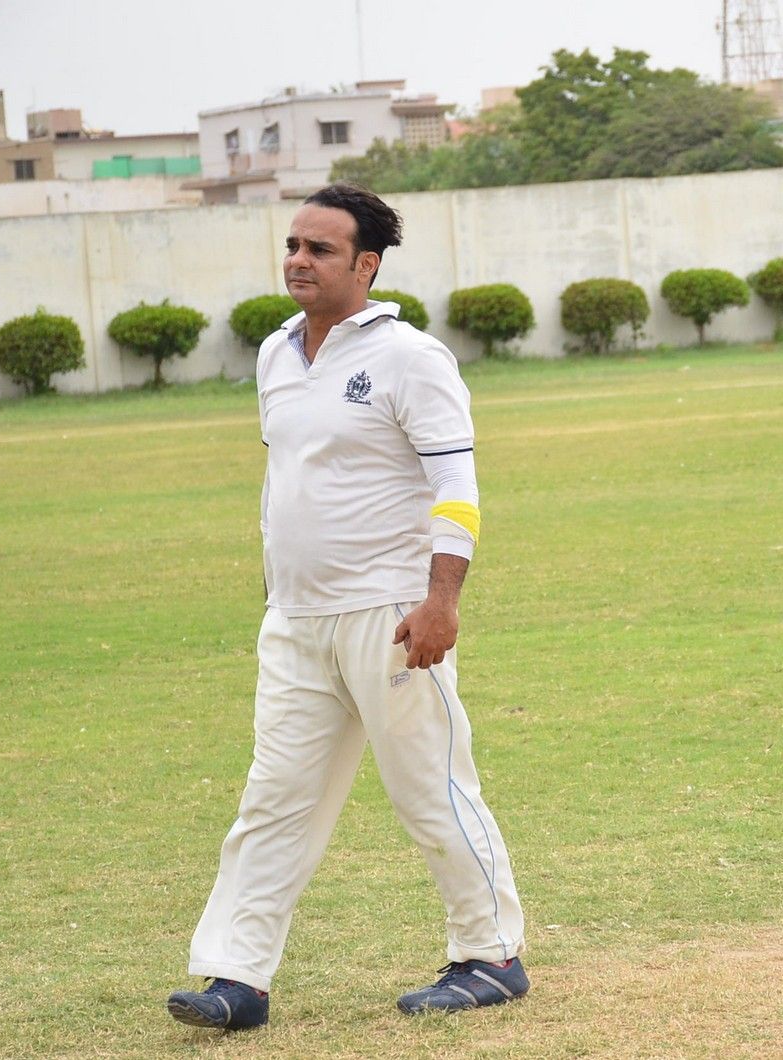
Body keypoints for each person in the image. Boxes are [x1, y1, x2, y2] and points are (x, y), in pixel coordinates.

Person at [167, 183, 527, 1030]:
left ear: (366, 264)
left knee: (430, 792)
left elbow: (457, 486)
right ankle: (237, 979)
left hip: (391, 616)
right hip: (296, 622)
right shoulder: (276, 353)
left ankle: (492, 957)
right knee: (273, 802)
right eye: (293, 245)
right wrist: (278, 587)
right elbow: (289, 478)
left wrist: (441, 601)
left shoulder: (411, 358)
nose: (298, 261)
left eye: (319, 250)